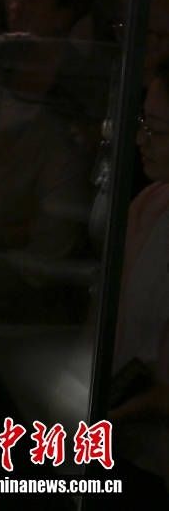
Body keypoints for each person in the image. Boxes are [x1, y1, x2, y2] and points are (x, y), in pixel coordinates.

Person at [109, 58, 169, 503]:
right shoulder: (150, 203)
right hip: (128, 446)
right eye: (143, 123)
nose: (140, 140)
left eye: (158, 131)